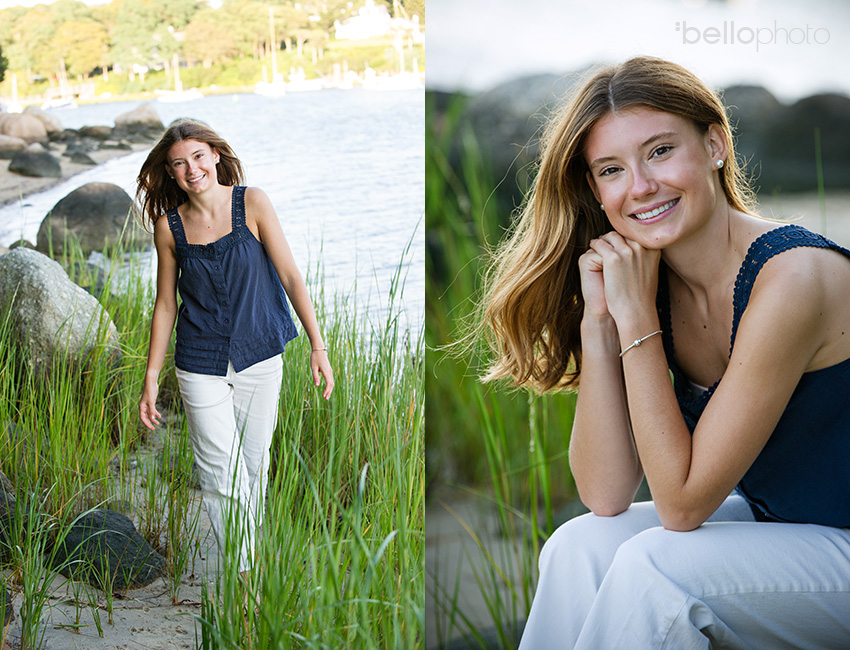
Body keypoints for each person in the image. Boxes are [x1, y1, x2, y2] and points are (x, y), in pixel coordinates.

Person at [478, 57, 850, 648]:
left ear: (715, 145)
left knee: (656, 568)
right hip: (783, 525)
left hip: (842, 544)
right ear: (596, 191)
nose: (641, 187)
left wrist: (636, 319)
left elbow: (680, 506)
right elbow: (605, 495)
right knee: (580, 546)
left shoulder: (792, 278)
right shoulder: (647, 283)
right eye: (611, 169)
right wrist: (602, 320)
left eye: (659, 151)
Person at [136, 118, 334, 575]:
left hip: (260, 354)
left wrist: (317, 346)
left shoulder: (254, 203)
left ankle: (252, 559)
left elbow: (290, 276)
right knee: (220, 475)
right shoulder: (169, 228)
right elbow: (165, 305)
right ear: (170, 172)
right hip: (198, 362)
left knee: (254, 467)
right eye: (179, 164)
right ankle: (245, 578)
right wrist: (150, 378)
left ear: (216, 155)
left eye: (198, 157)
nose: (192, 170)